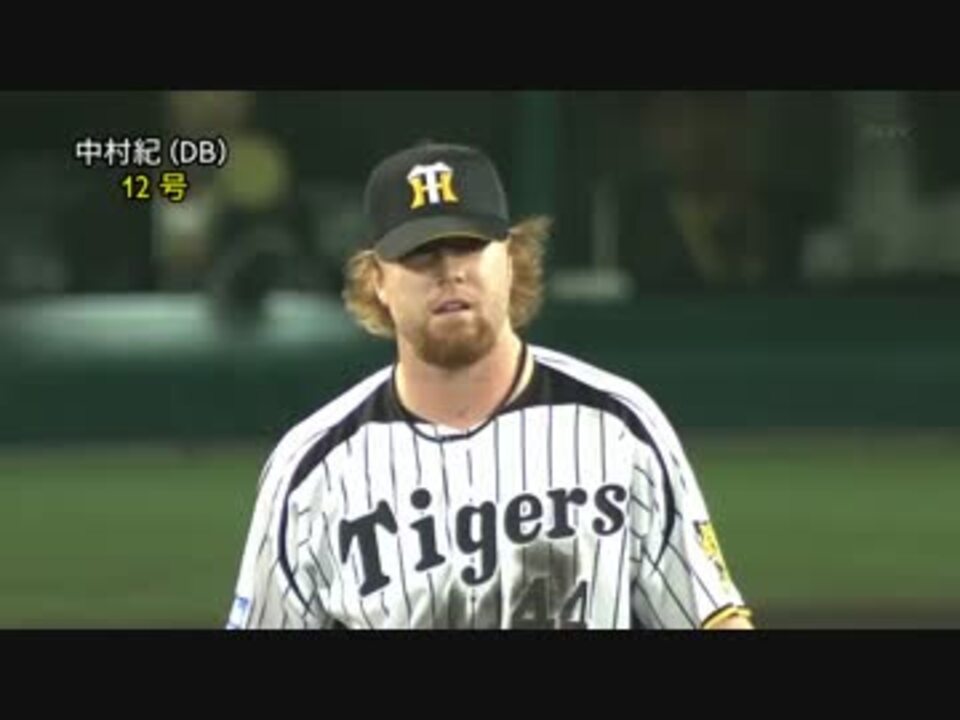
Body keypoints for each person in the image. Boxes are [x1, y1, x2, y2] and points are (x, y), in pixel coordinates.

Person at [225, 140, 754, 630]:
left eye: (468, 245)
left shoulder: (618, 428)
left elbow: (712, 616)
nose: (449, 272)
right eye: (420, 253)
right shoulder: (312, 469)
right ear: (377, 281)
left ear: (512, 259)